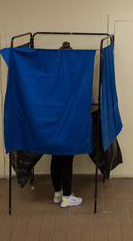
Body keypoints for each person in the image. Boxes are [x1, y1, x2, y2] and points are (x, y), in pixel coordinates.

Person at [50, 41, 82, 208]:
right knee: (67, 159)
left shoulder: (51, 74)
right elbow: (83, 96)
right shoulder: (76, 73)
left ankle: (58, 194)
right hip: (69, 121)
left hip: (53, 121)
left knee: (55, 157)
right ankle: (68, 197)